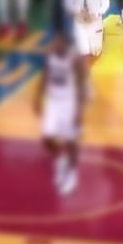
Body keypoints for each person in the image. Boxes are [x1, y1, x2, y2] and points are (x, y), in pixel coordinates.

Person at [33, 33, 81, 195]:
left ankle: (71, 174)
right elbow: (44, 77)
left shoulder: (74, 59)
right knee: (47, 138)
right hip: (53, 102)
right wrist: (37, 97)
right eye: (54, 40)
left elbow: (81, 84)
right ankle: (61, 160)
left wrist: (78, 109)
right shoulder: (50, 57)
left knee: (70, 140)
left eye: (58, 40)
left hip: (68, 103)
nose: (54, 43)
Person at [63, 0, 110, 103]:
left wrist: (95, 14)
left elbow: (106, 3)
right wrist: (76, 13)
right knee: (83, 53)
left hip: (95, 21)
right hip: (78, 23)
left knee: (94, 54)